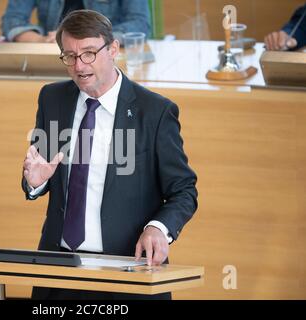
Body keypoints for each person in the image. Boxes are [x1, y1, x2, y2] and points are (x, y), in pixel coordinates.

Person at [22, 9, 198, 300]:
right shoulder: (52, 98)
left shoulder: (154, 111)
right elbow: (37, 169)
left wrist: (157, 229)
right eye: (70, 56)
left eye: (89, 53)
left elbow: (184, 190)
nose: (79, 66)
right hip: (60, 272)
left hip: (128, 270)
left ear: (113, 49)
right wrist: (36, 182)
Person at [1, 0, 150, 44]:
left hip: (106, 58)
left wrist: (91, 39)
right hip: (55, 57)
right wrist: (42, 40)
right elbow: (11, 19)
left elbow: (140, 24)